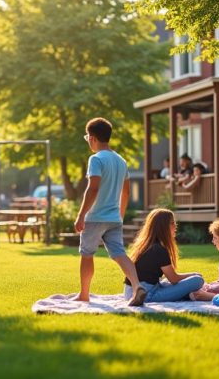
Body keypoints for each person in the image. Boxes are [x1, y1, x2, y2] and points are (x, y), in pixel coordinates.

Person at [73, 117, 146, 306]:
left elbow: (93, 188)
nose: (88, 140)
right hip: (114, 218)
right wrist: (120, 216)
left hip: (95, 217)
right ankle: (137, 286)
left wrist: (81, 215)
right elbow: (127, 191)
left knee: (87, 254)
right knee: (119, 254)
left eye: (87, 137)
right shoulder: (121, 161)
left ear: (93, 138)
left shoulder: (96, 159)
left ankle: (84, 294)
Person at [124, 208, 204, 302]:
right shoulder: (159, 249)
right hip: (145, 295)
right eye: (172, 223)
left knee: (166, 282)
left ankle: (186, 294)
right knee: (198, 280)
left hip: (132, 291)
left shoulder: (148, 245)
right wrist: (194, 274)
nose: (175, 226)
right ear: (162, 226)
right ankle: (187, 294)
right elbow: (174, 279)